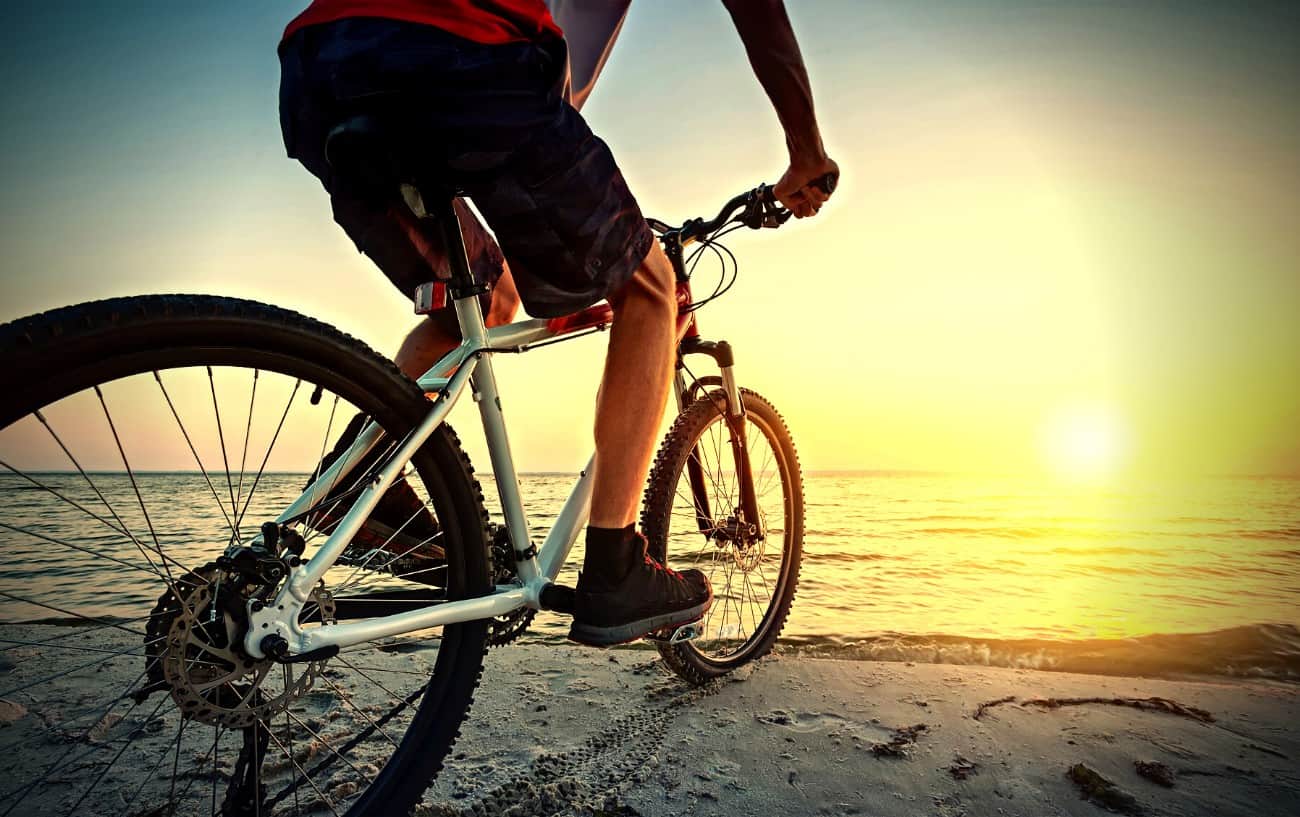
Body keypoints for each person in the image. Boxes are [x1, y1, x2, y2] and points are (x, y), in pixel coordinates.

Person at [278, 0, 838, 646]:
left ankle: (354, 477)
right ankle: (614, 568)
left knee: (484, 299)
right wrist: (806, 153)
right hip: (462, 58)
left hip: (319, 69)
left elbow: (564, 77)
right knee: (651, 288)